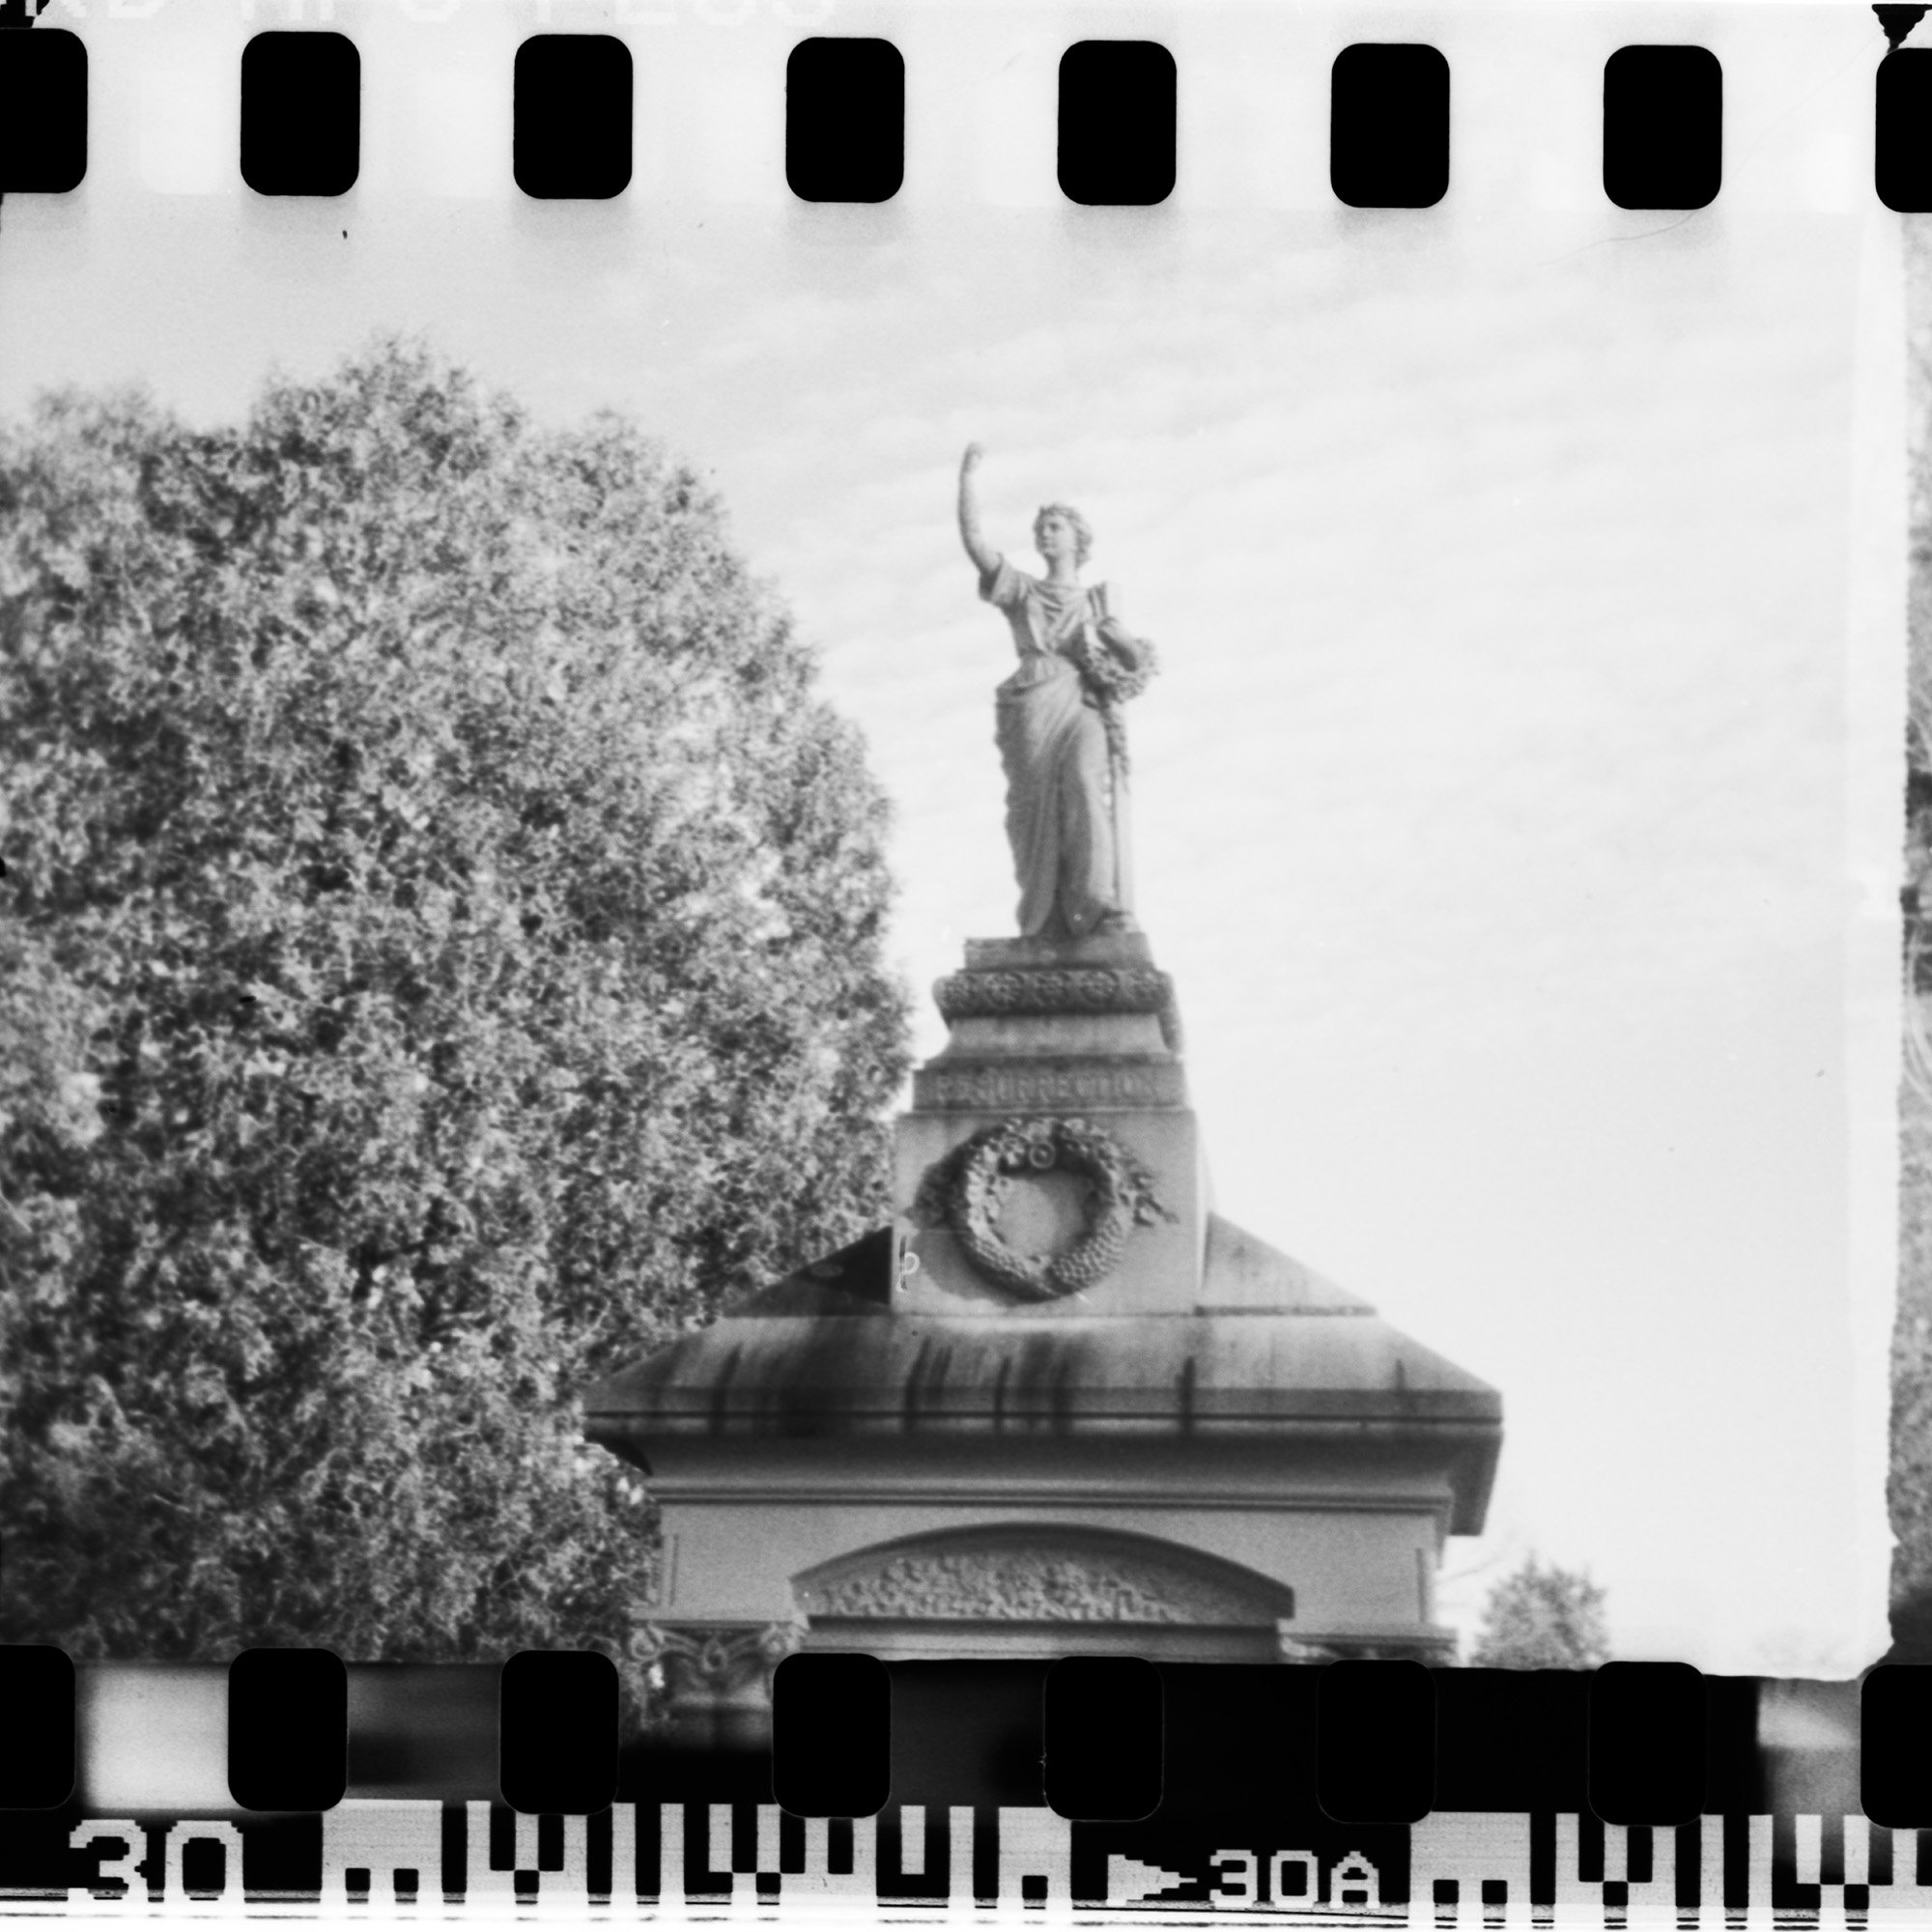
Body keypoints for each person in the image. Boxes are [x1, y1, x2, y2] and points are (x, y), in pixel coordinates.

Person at [957, 442, 1152, 943]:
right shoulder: (1022, 590)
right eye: (1041, 529)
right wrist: (968, 480)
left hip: (1081, 701)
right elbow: (975, 543)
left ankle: (1098, 905)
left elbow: (1137, 665)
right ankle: (1044, 917)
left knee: (1088, 787)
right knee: (1032, 812)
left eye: (1055, 527)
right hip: (1033, 700)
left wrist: (1119, 640)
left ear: (1076, 540)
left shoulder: (1099, 602)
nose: (1044, 534)